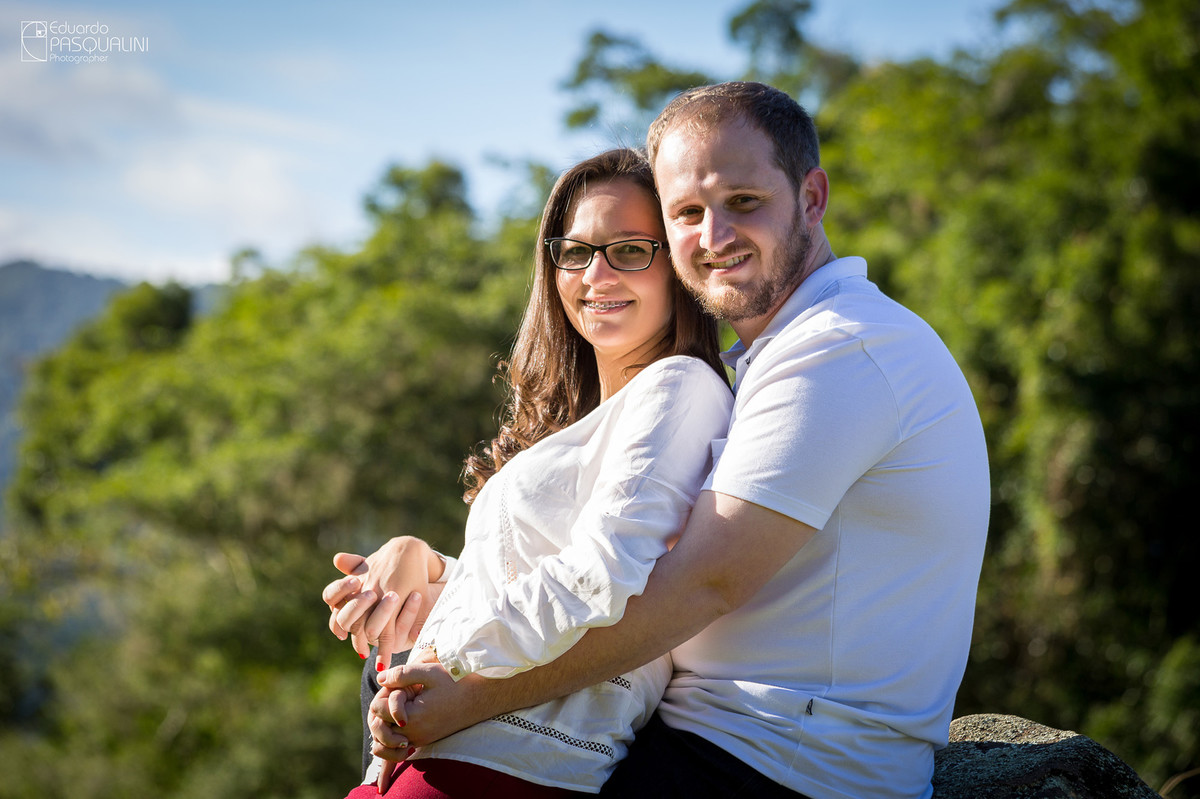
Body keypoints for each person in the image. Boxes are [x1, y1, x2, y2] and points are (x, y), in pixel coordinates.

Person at [347, 82, 990, 798]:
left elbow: (693, 584)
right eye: (688, 212)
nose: (714, 238)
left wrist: (470, 690)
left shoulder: (837, 350)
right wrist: (430, 569)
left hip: (773, 764)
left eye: (744, 202)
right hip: (718, 745)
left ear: (812, 197)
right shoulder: (781, 358)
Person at [328, 147, 733, 797]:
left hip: (505, 765)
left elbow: (606, 574)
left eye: (630, 249)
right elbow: (534, 584)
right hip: (443, 755)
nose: (596, 274)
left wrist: (444, 663)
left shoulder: (680, 386)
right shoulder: (592, 418)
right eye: (575, 251)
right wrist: (427, 566)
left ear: (677, 267)